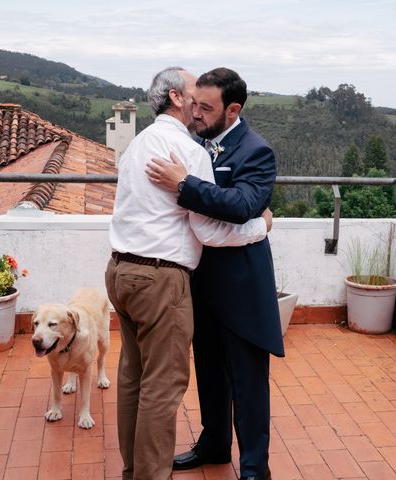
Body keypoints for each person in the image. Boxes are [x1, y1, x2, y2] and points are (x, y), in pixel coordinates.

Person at [106, 66, 273, 480]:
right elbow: (207, 229)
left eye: (207, 106)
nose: (198, 112)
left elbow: (240, 203)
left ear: (231, 111)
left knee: (139, 378)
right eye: (194, 101)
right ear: (178, 99)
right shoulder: (188, 148)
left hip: (138, 276)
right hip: (169, 282)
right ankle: (182, 459)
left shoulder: (141, 144)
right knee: (171, 384)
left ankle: (251, 468)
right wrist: (263, 226)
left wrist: (188, 186)